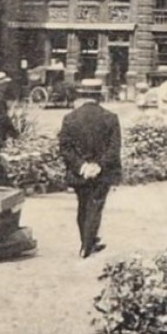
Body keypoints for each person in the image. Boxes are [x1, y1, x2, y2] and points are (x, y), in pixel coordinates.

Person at [58, 95, 122, 259]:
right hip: (103, 172)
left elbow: (65, 148)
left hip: (80, 171)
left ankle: (87, 241)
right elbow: (114, 149)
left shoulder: (70, 118)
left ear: (80, 96)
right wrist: (98, 165)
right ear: (99, 96)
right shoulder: (110, 117)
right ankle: (87, 244)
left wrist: (82, 166)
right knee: (96, 205)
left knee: (83, 205)